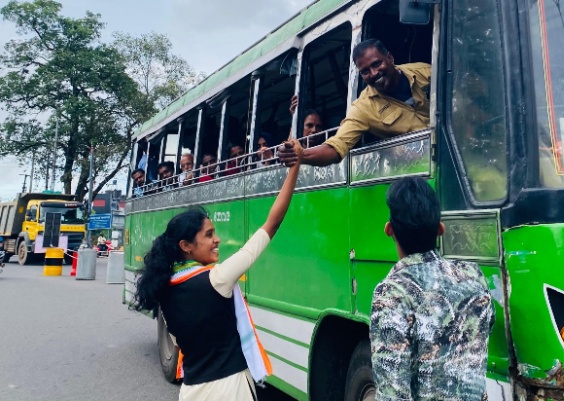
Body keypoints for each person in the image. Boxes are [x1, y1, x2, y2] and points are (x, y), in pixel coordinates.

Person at [133, 140, 304, 401]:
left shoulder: (164, 290)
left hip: (192, 391)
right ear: (186, 246)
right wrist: (295, 167)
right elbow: (272, 224)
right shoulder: (217, 279)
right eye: (209, 235)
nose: (218, 240)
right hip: (230, 389)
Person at [370, 177, 494, 401]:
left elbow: (392, 393)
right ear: (441, 229)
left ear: (389, 230)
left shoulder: (393, 293)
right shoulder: (473, 277)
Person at [279, 39, 431, 167]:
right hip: (420, 165)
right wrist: (300, 155)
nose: (373, 73)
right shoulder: (363, 107)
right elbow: (336, 147)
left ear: (390, 58)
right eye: (365, 71)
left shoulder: (425, 71)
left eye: (377, 64)